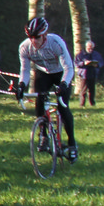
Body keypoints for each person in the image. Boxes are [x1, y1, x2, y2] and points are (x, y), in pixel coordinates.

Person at [18, 17, 78, 160]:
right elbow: (25, 70)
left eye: (37, 37)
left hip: (61, 73)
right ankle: (43, 134)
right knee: (40, 99)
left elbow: (69, 68)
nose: (34, 40)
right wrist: (21, 85)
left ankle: (72, 143)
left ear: (44, 34)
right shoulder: (25, 47)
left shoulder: (55, 42)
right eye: (31, 37)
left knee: (63, 107)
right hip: (43, 73)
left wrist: (64, 84)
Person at [75, 41, 104, 107]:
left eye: (92, 48)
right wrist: (84, 63)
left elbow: (101, 62)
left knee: (92, 90)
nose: (90, 50)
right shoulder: (80, 55)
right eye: (89, 48)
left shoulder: (96, 54)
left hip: (93, 73)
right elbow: (76, 63)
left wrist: (97, 65)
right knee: (83, 90)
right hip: (84, 74)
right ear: (86, 47)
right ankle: (82, 104)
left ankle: (92, 103)